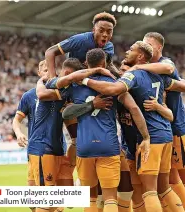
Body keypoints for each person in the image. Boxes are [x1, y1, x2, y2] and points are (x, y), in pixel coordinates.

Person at [81, 41, 185, 212]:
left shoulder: (134, 76)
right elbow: (181, 86)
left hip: (151, 137)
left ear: (140, 56)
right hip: (162, 136)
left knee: (150, 192)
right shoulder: (156, 75)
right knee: (161, 188)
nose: (127, 52)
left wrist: (85, 80)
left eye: (131, 50)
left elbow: (116, 88)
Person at [50, 48, 150, 212]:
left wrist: (87, 103)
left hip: (84, 147)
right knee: (111, 198)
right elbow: (134, 109)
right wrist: (146, 136)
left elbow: (66, 112)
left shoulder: (76, 85)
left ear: (86, 64)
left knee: (90, 198)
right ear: (104, 63)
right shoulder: (115, 85)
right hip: (108, 146)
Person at [143, 32, 185, 212]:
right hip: (162, 133)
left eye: (150, 44)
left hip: (178, 128)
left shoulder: (165, 63)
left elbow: (171, 71)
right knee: (170, 180)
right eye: (144, 43)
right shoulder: (147, 69)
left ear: (159, 48)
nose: (146, 47)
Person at [12, 60, 48, 212]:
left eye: (50, 69)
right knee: (32, 201)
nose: (48, 72)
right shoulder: (29, 96)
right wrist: (19, 133)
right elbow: (16, 120)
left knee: (48, 198)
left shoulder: (61, 93)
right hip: (33, 150)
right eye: (44, 70)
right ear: (39, 73)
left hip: (53, 149)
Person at [45, 12, 120, 79]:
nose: (105, 35)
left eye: (109, 32)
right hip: (72, 79)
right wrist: (52, 77)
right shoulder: (81, 40)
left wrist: (120, 76)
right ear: (94, 30)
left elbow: (109, 64)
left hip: (92, 80)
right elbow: (50, 51)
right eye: (101, 31)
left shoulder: (109, 47)